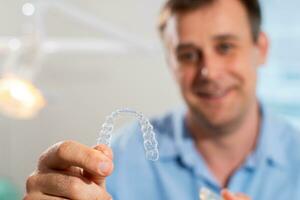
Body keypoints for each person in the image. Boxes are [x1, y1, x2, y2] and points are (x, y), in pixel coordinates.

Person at [24, 0, 300, 199]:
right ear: (170, 62)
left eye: (225, 47)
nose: (209, 72)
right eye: (188, 54)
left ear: (260, 49)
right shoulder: (118, 162)